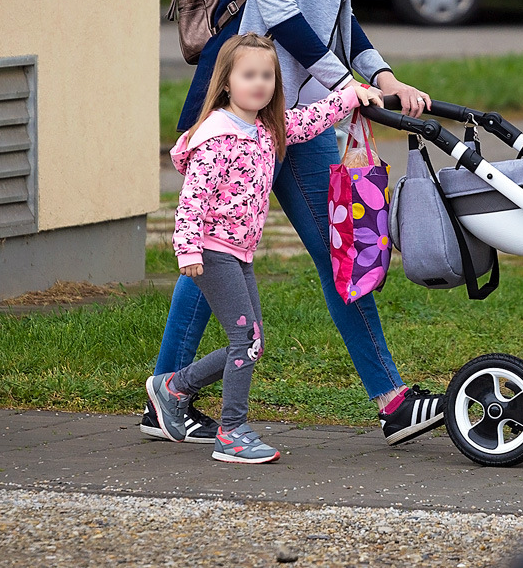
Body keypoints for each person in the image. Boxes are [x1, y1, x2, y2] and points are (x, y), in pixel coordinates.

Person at [143, 0, 445, 447]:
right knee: (216, 250)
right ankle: (168, 390)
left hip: (297, 114)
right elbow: (279, 12)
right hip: (239, 117)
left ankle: (390, 399)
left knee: (338, 253)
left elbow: (342, 15)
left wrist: (382, 73)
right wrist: (351, 85)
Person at [148, 33, 380, 463]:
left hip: (240, 251)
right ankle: (232, 432)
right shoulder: (216, 137)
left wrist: (350, 96)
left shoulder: (267, 129)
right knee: (247, 340)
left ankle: (174, 387)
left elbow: (310, 120)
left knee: (253, 341)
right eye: (248, 75)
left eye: (267, 76)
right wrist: (188, 251)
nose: (259, 84)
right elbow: (191, 200)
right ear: (226, 83)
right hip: (213, 250)